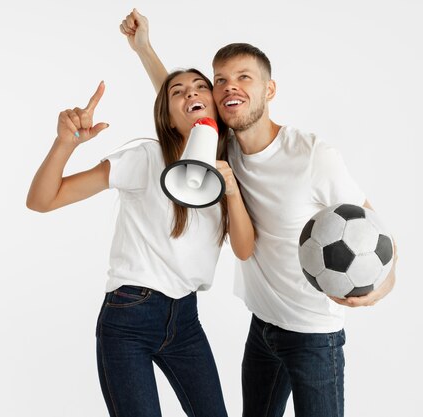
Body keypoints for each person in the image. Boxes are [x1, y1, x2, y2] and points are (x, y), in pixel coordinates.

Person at [122, 9, 397, 416]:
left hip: (313, 336)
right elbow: (179, 100)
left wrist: (383, 287)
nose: (230, 87)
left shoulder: (313, 155)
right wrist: (143, 47)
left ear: (270, 90)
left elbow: (376, 232)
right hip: (262, 328)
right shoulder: (222, 146)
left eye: (243, 77)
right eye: (221, 81)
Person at [26, 67, 255, 416]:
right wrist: (65, 143)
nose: (191, 95)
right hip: (129, 317)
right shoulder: (145, 158)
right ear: (166, 115)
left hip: (186, 321)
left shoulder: (230, 167)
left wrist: (233, 193)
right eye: (178, 92)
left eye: (199, 88)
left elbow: (243, 249)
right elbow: (42, 201)